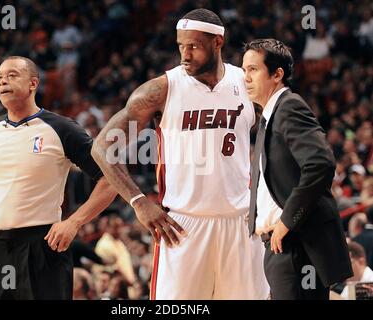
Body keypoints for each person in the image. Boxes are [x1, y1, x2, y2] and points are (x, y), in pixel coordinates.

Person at [92, 9, 268, 299]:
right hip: (183, 225)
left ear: (217, 43)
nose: (185, 55)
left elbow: (277, 140)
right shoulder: (160, 90)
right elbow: (102, 147)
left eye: (194, 46)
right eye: (181, 46)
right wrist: (138, 201)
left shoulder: (247, 83)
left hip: (241, 221)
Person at [0, 56, 117, 300]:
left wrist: (74, 222)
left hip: (43, 244)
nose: (3, 82)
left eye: (12, 75)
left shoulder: (62, 129)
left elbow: (111, 179)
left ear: (33, 84)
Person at [243, 38, 353, 300]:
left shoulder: (289, 107)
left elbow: (320, 164)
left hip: (298, 244)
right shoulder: (269, 117)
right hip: (281, 246)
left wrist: (286, 221)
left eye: (253, 69)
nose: (245, 77)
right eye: (244, 70)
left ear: (277, 74)